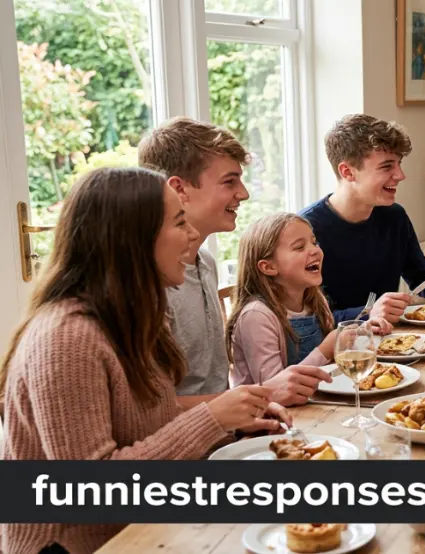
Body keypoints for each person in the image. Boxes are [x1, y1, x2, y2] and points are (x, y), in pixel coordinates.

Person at [0, 168, 288, 554]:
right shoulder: (66, 338)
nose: (191, 235)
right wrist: (212, 419)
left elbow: (146, 426)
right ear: (132, 241)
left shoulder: (135, 315)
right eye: (179, 222)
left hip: (147, 529)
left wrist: (237, 426)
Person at [139, 118, 330, 406]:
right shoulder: (147, 283)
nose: (244, 193)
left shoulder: (205, 262)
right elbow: (151, 410)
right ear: (180, 190)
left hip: (232, 430)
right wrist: (262, 396)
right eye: (229, 181)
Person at [301, 114, 425, 324]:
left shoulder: (394, 216)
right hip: (335, 351)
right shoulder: (307, 231)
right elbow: (308, 320)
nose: (400, 175)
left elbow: (422, 277)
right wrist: (369, 313)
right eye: (387, 166)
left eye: (399, 164)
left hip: (387, 342)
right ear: (348, 172)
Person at [226, 213, 392, 387]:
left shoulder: (315, 300)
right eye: (299, 247)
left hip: (314, 404)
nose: (315, 250)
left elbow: (332, 369)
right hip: (269, 412)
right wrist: (325, 351)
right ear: (268, 267)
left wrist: (360, 333)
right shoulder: (257, 317)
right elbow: (274, 389)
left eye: (314, 242)